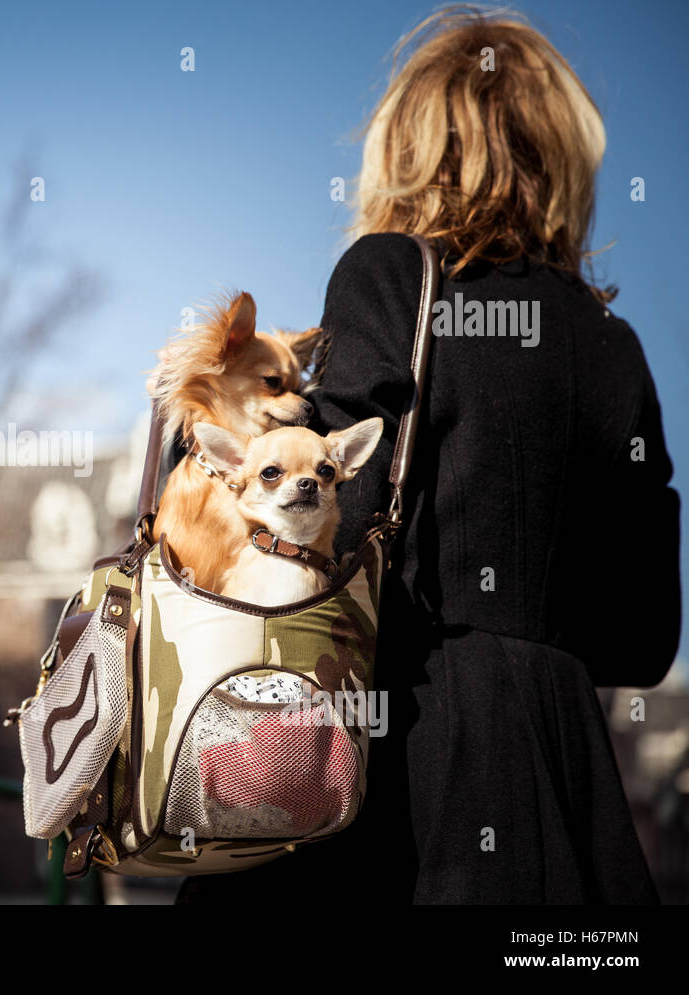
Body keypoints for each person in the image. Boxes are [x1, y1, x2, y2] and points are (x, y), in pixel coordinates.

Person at [176, 7, 680, 904]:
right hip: (565, 794)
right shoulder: (617, 347)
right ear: (562, 156)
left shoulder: (389, 277)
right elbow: (645, 637)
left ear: (405, 148)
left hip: (396, 769)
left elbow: (335, 526)